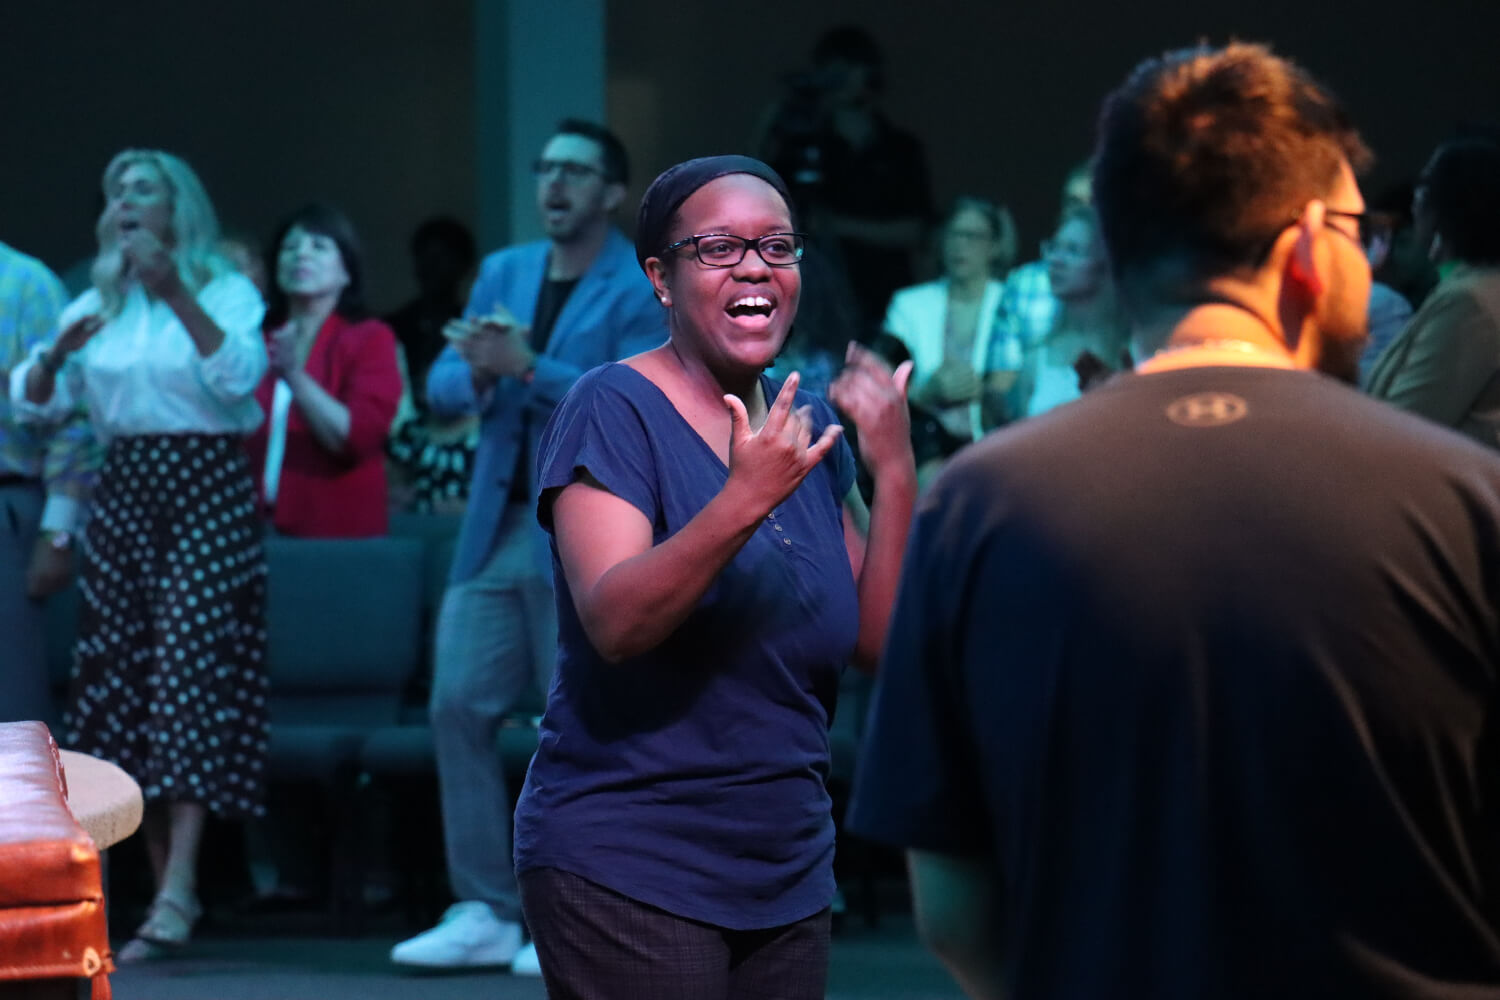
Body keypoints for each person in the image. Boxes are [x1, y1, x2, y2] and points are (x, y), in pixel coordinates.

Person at [848, 42, 1500, 999]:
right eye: (1360, 233)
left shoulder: (981, 506)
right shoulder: (1465, 496)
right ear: (1309, 247)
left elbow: (951, 912)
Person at [513, 154, 916, 999]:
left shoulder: (803, 422)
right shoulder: (610, 405)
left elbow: (879, 642)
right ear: (661, 278)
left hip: (786, 861)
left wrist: (895, 464)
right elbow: (617, 622)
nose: (755, 265)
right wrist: (743, 499)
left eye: (777, 245)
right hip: (631, 857)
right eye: (719, 248)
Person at [389, 119, 665, 974]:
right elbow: (440, 386)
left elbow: (632, 398)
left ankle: (580, 908)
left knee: (578, 720)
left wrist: (525, 366)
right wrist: (476, 367)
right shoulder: (504, 269)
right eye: (545, 169)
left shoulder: (634, 280)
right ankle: (484, 906)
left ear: (612, 191)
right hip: (495, 526)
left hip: (587, 525)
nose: (554, 184)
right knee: (457, 704)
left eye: (575, 172)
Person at [10, 149, 269, 962]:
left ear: (176, 206)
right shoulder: (97, 300)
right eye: (116, 189)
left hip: (203, 484)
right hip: (125, 489)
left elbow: (238, 378)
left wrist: (173, 291)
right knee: (122, 680)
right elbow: (33, 403)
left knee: (189, 671)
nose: (126, 199)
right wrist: (55, 354)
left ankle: (182, 883)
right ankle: (158, 890)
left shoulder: (222, 286)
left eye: (143, 188)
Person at [762, 25, 934, 329]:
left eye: (849, 67)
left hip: (880, 295)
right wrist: (779, 115)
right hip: (814, 299)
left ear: (869, 72)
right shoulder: (803, 146)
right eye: (832, 68)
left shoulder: (899, 149)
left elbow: (916, 229)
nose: (839, 77)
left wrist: (836, 225)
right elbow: (760, 189)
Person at [245, 203, 402, 537]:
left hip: (336, 534)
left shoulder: (370, 338)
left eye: (318, 246)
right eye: (290, 247)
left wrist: (293, 376)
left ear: (347, 271)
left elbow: (357, 438)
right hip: (251, 529)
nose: (301, 255)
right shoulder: (252, 338)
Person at [0, 240, 96, 726]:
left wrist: (59, 529)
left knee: (8, 702)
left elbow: (75, 416)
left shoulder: (25, 282)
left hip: (7, 501)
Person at [1366, 138, 1500, 447]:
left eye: (1426, 184)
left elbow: (1400, 428)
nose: (1415, 198)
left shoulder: (1470, 302)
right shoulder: (1470, 288)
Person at [883, 197, 1018, 454]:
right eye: (954, 235)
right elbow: (883, 389)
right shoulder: (909, 305)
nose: (961, 245)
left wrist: (987, 392)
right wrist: (925, 393)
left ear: (995, 246)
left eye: (973, 236)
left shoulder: (1011, 300)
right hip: (924, 445)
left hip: (998, 444)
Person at [1013, 204, 1130, 417]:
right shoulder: (1036, 358)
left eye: (1073, 251)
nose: (1056, 260)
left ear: (1103, 262)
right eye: (1054, 248)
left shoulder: (1130, 353)